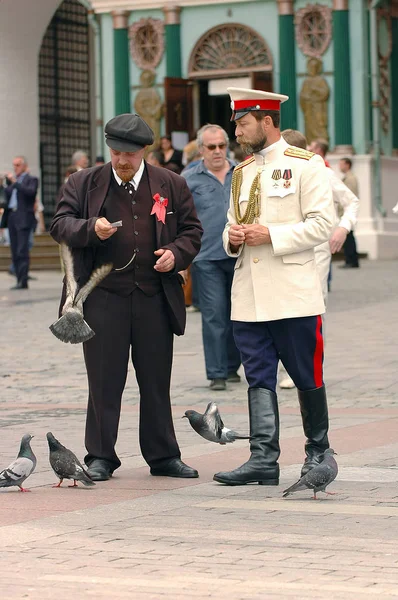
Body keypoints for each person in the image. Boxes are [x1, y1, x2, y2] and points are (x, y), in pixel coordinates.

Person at [50, 113, 203, 482]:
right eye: (115, 152)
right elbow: (59, 224)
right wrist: (90, 227)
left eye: (129, 155)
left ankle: (163, 455)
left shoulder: (171, 183)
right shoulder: (83, 182)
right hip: (103, 298)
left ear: (144, 152)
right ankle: (100, 455)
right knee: (104, 380)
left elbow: (192, 231)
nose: (121, 160)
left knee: (155, 380)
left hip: (153, 296)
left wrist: (176, 254)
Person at [212, 88, 334, 486]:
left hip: (292, 292)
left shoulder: (306, 164)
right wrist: (232, 239)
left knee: (305, 374)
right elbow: (229, 226)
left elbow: (322, 224)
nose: (238, 132)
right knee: (258, 376)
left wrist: (271, 234)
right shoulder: (242, 171)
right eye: (236, 124)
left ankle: (318, 451)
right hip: (249, 294)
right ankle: (263, 458)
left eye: (243, 124)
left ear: (266, 121)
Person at [183, 124, 241, 391]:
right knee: (214, 314)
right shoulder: (188, 178)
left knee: (239, 316)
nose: (218, 152)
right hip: (206, 257)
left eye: (221, 146)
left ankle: (232, 367)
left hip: (242, 254)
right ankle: (217, 372)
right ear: (201, 149)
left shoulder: (243, 171)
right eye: (211, 147)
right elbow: (180, 218)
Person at [0, 156, 39, 289]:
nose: (15, 167)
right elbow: (7, 195)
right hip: (11, 217)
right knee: (14, 250)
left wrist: (15, 182)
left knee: (22, 250)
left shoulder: (31, 179)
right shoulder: (12, 183)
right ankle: (18, 279)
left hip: (24, 218)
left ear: (24, 166)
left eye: (17, 165)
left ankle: (23, 280)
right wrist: (3, 184)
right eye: (14, 165)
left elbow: (30, 193)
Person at [338, 157, 360, 268]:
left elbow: (349, 197)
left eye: (341, 164)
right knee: (349, 236)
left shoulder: (350, 179)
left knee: (349, 237)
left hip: (347, 212)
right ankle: (350, 260)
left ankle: (351, 260)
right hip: (346, 212)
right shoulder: (348, 178)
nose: (339, 166)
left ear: (347, 165)